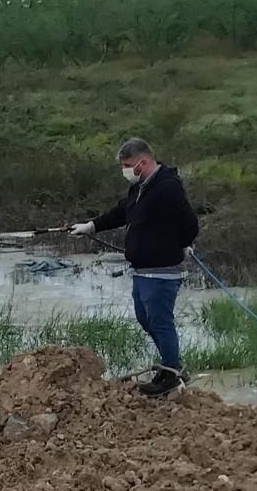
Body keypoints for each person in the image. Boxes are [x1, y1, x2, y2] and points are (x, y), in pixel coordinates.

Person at [70, 138, 198, 397]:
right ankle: (170, 367)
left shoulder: (167, 188)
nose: (125, 171)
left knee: (161, 321)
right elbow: (121, 212)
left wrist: (182, 244)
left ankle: (172, 373)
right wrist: (91, 226)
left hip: (162, 269)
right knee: (145, 318)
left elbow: (190, 223)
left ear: (144, 161)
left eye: (128, 165)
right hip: (142, 269)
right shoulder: (140, 188)